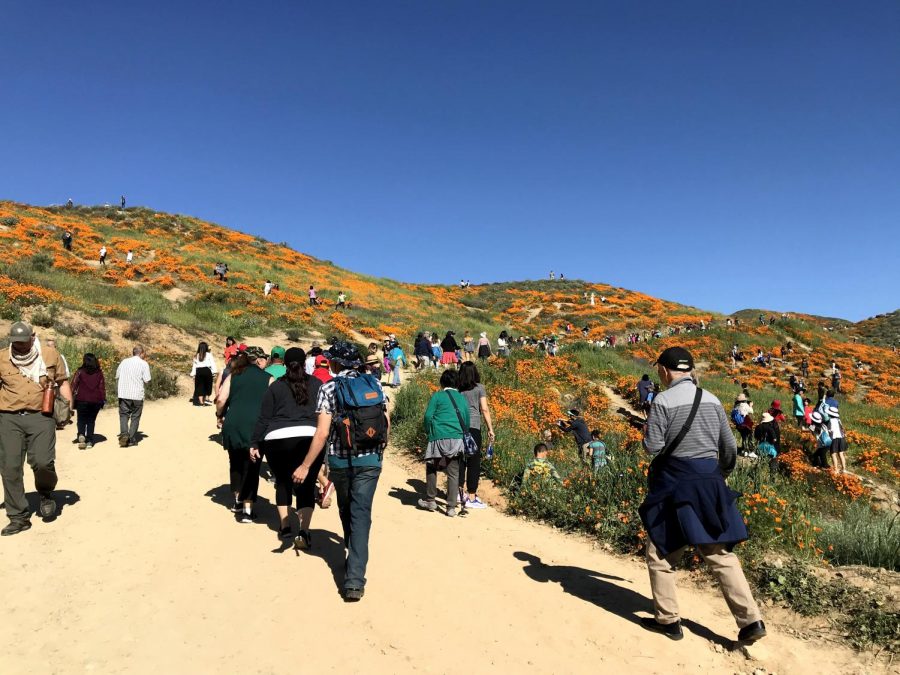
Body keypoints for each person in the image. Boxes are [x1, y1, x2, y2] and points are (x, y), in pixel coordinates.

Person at [639, 346, 765, 645]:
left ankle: (668, 621)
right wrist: (719, 474)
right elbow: (729, 447)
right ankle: (751, 621)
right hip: (710, 481)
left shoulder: (663, 400)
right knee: (719, 552)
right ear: (690, 370)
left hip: (676, 483)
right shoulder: (712, 399)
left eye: (660, 369)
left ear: (666, 371)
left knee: (661, 551)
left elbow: (653, 446)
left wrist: (646, 432)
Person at [295, 342, 389, 601]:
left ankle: (352, 562)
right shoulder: (374, 384)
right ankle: (355, 578)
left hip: (340, 461)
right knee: (361, 514)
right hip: (370, 461)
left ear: (335, 364)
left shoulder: (328, 388)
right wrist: (380, 451)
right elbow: (385, 422)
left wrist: (306, 465)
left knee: (346, 509)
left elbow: (323, 432)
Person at [0, 322, 73, 535]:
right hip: (9, 417)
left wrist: (67, 410)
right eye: (16, 343)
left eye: (24, 342)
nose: (20, 347)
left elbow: (63, 382)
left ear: (33, 338)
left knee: (42, 461)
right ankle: (18, 516)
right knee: (10, 467)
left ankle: (45, 492)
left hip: (41, 416)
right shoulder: (3, 357)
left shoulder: (50, 355)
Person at [249, 347, 324, 544]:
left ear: (284, 362)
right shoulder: (316, 384)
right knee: (307, 486)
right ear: (304, 361)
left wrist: (255, 441)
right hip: (309, 436)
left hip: (277, 438)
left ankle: (285, 527)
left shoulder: (275, 387)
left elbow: (263, 418)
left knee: (282, 482)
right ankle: (304, 531)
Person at [216, 349, 269, 521]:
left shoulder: (233, 375)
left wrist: (219, 415)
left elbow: (221, 400)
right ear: (259, 360)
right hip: (256, 426)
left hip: (234, 423)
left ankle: (237, 501)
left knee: (236, 463)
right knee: (252, 466)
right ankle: (247, 508)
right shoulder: (268, 378)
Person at [418, 369, 468, 517]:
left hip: (438, 436)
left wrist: (429, 430)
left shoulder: (438, 396)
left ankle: (431, 500)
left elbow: (428, 416)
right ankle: (451, 507)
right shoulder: (461, 398)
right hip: (456, 438)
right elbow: (466, 419)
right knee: (453, 472)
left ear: (442, 382)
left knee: (432, 467)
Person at [457, 362, 495, 510]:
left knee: (459, 459)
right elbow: (484, 409)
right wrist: (490, 429)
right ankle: (471, 496)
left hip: (459, 428)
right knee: (474, 462)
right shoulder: (479, 388)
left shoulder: (458, 389)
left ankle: (458, 494)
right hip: (473, 427)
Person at [115, 345, 151, 447]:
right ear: (141, 353)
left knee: (124, 415)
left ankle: (124, 434)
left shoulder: (124, 362)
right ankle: (131, 438)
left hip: (124, 393)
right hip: (137, 395)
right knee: (135, 416)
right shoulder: (144, 364)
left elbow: (117, 375)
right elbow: (147, 380)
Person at [71, 353, 106, 450]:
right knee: (91, 421)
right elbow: (102, 388)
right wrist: (103, 399)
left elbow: (73, 385)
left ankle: (81, 435)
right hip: (95, 401)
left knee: (81, 419)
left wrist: (69, 397)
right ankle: (90, 441)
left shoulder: (80, 371)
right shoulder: (99, 373)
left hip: (81, 399)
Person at [190, 341, 217, 406]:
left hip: (199, 371)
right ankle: (207, 399)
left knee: (199, 386)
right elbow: (212, 363)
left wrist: (193, 374)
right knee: (208, 385)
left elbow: (194, 365)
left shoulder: (196, 355)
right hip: (207, 370)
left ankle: (201, 402)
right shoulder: (209, 354)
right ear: (206, 348)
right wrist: (214, 371)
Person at [827, 406, 848, 474]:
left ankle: (836, 470)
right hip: (841, 437)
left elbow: (830, 430)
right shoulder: (838, 420)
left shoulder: (829, 421)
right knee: (841, 453)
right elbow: (842, 428)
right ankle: (844, 469)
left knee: (833, 454)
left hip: (834, 438)